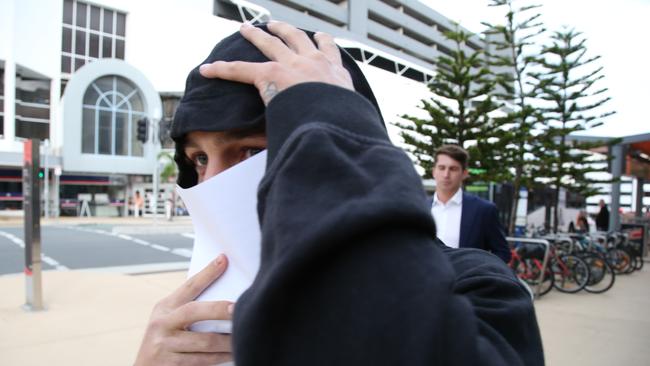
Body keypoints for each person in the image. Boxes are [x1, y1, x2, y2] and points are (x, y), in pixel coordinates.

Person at [135, 22, 543, 366]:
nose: (211, 184)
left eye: (251, 151)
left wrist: (323, 112)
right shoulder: (198, 312)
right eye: (200, 159)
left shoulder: (480, 288)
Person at [429, 145, 511, 263]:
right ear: (434, 171)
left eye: (453, 169)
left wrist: (481, 274)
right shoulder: (419, 208)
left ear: (464, 173)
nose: (446, 175)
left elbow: (503, 253)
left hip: (464, 280)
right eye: (441, 168)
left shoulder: (484, 210)